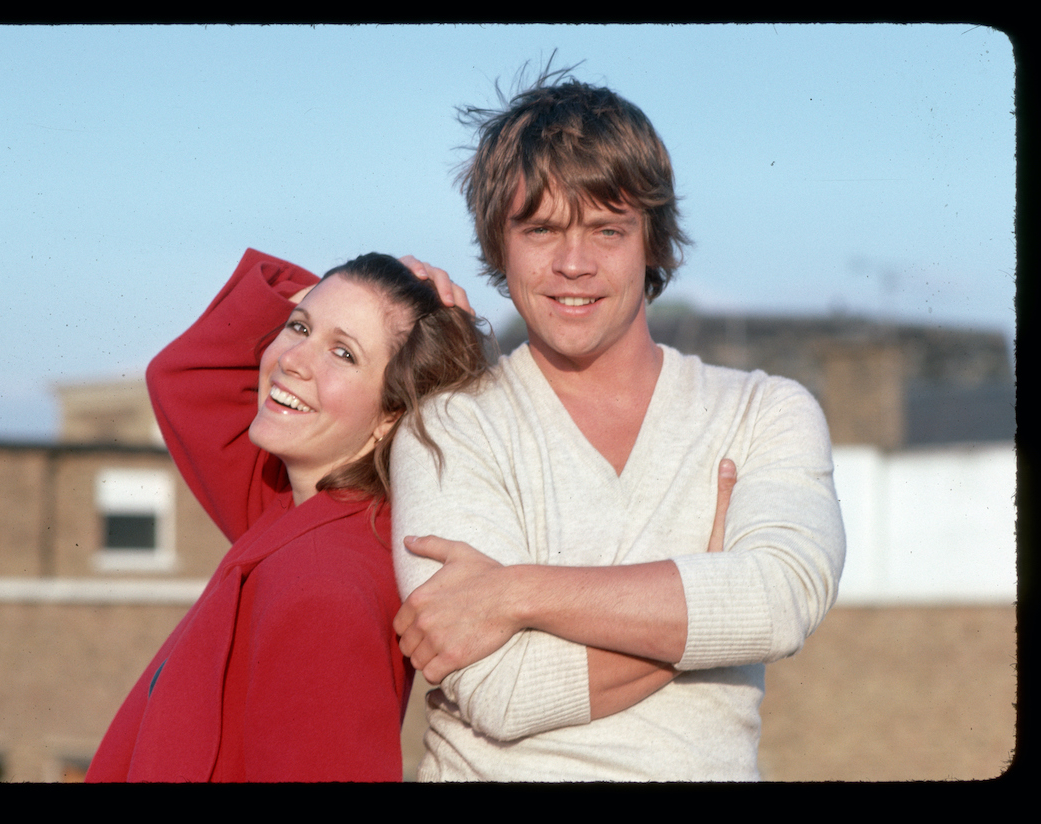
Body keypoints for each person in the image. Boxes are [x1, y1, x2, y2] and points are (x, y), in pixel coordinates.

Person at [390, 69, 845, 780]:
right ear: (498, 247)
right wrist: (708, 601)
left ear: (653, 242)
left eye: (607, 229)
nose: (574, 264)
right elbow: (501, 692)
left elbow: (780, 603)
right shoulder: (448, 427)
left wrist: (516, 591)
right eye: (540, 230)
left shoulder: (766, 411)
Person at [86, 249, 488, 782]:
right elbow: (182, 378)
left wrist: (423, 335)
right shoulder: (297, 508)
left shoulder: (326, 585)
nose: (293, 360)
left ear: (392, 414)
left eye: (343, 355)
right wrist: (360, 294)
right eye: (298, 328)